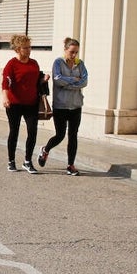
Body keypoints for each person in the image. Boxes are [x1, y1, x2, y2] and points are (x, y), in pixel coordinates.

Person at [38, 37, 89, 175]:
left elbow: (84, 82)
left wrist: (70, 84)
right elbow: (58, 80)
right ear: (65, 50)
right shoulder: (58, 63)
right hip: (60, 106)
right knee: (60, 135)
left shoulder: (80, 64)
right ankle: (45, 149)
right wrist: (74, 80)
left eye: (76, 52)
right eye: (71, 52)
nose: (74, 55)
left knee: (73, 135)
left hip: (76, 106)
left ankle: (70, 165)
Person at [0, 33, 47, 173]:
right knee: (14, 131)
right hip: (14, 104)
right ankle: (11, 160)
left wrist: (43, 79)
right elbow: (5, 82)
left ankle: (27, 161)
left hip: (31, 103)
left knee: (32, 131)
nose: (28, 50)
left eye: (29, 47)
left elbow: (36, 80)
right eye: (25, 48)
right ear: (17, 49)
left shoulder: (34, 63)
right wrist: (5, 97)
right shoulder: (11, 64)